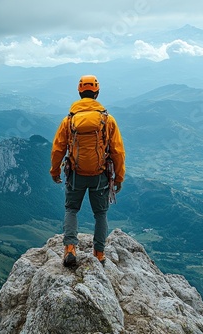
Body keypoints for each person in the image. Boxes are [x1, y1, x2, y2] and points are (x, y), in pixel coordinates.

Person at [50, 74, 125, 267]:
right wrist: (119, 177)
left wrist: (55, 171)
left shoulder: (69, 120)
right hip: (100, 175)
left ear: (79, 92)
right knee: (100, 214)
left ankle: (70, 249)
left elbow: (58, 148)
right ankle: (99, 253)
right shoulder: (107, 120)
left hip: (76, 174)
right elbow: (117, 151)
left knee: (71, 209)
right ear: (97, 93)